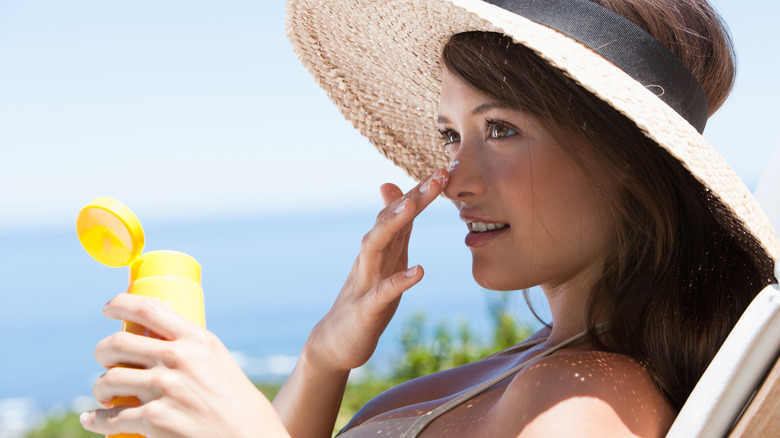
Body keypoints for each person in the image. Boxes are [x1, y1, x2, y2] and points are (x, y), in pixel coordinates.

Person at [79, 0, 778, 436]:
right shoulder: (539, 370)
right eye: (451, 136)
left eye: (500, 129)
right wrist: (326, 356)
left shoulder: (588, 401)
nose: (454, 181)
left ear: (627, 158)